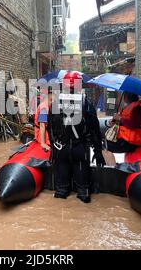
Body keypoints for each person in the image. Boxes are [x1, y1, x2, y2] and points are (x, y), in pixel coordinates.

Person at [46, 71, 106, 203]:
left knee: (61, 192)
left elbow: (50, 128)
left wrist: (53, 148)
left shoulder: (55, 104)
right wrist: (98, 152)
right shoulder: (86, 104)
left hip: (61, 149)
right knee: (83, 194)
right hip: (80, 150)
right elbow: (95, 130)